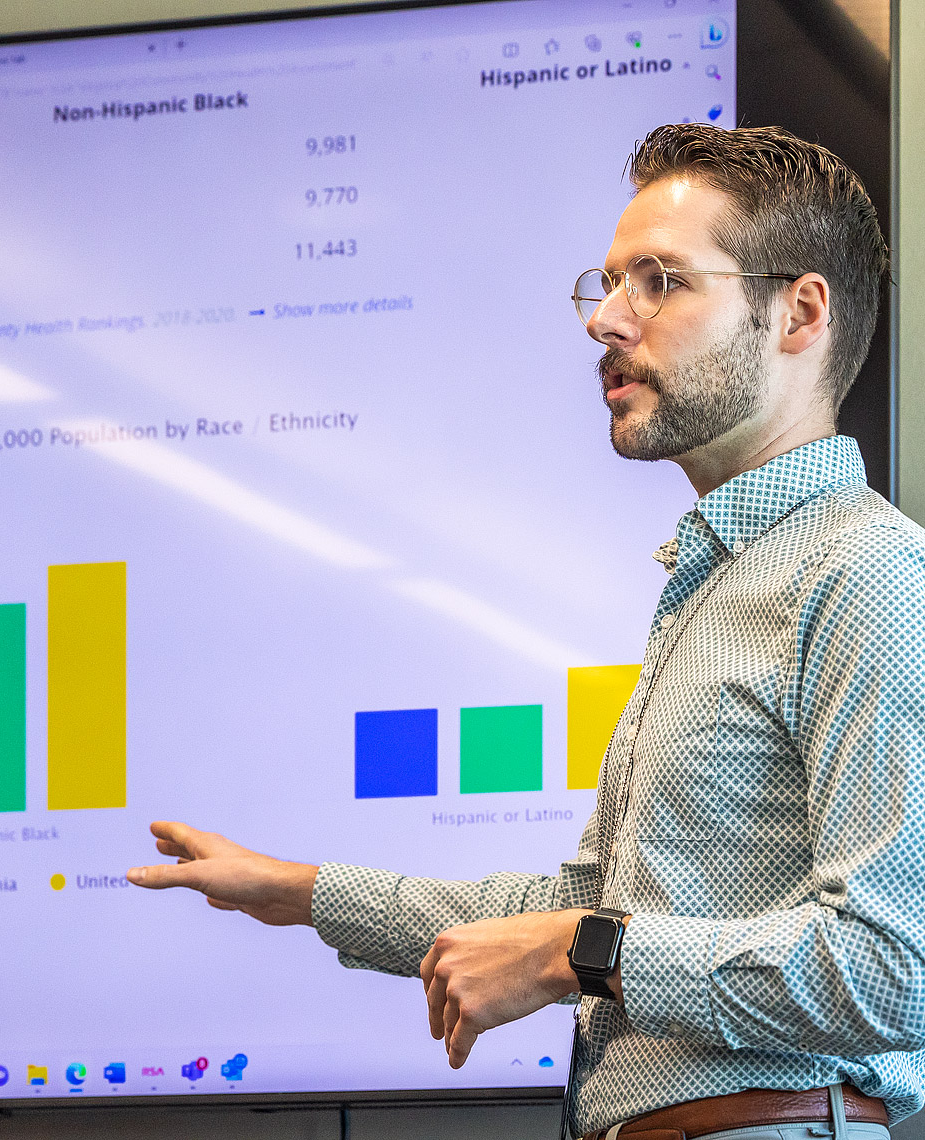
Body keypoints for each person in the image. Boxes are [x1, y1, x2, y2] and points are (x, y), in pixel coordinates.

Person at [127, 123, 919, 1140]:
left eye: (661, 281)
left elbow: (900, 968)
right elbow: (590, 901)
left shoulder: (868, 576)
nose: (608, 322)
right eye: (610, 283)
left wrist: (573, 954)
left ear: (798, 314)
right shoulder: (717, 584)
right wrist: (303, 893)